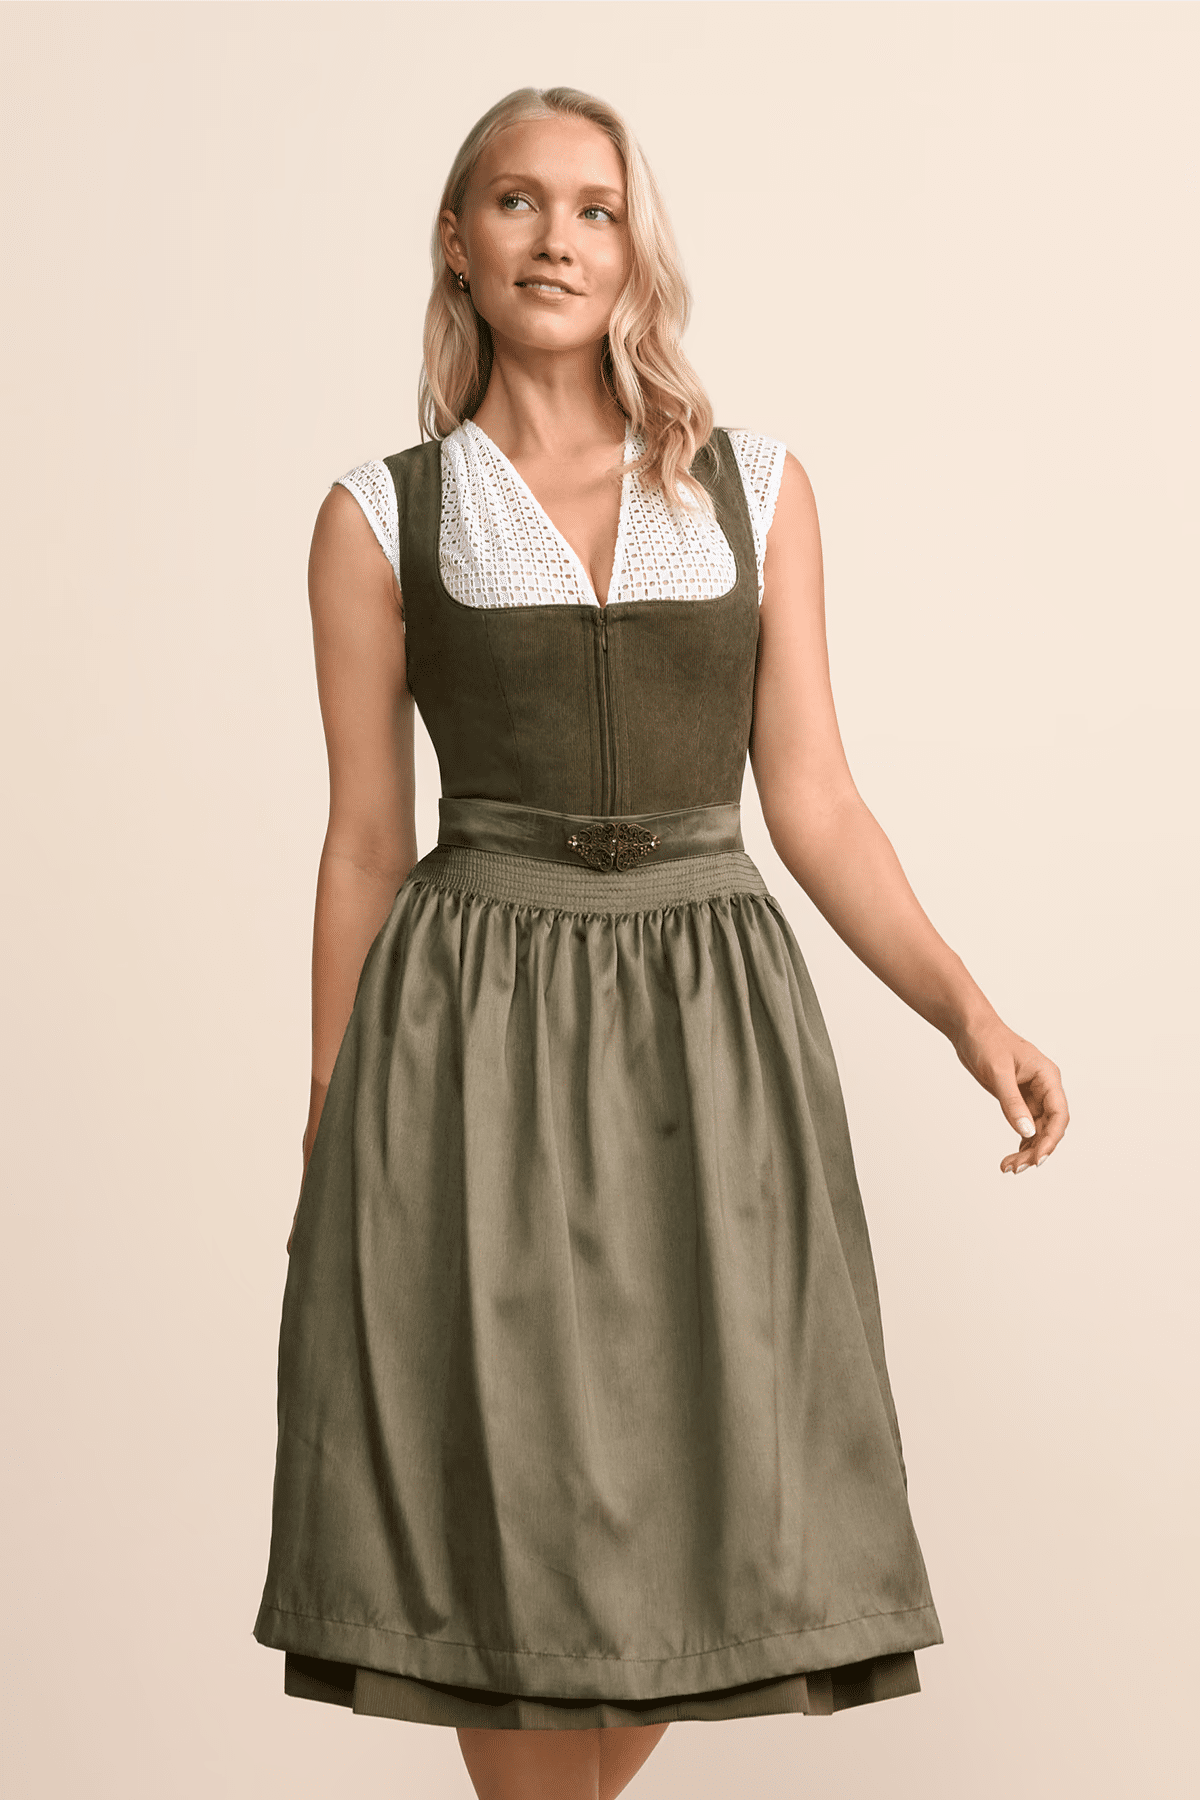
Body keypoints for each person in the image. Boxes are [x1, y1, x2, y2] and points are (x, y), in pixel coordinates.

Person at [253, 85, 1069, 1800]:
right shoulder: (377, 516)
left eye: (596, 208)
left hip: (710, 1020)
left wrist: (967, 1014)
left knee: (709, 1492)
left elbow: (817, 801)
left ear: (636, 250)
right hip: (470, 1026)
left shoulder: (755, 490)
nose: (556, 239)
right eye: (517, 202)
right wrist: (331, 1104)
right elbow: (364, 842)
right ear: (457, 244)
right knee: (507, 1501)